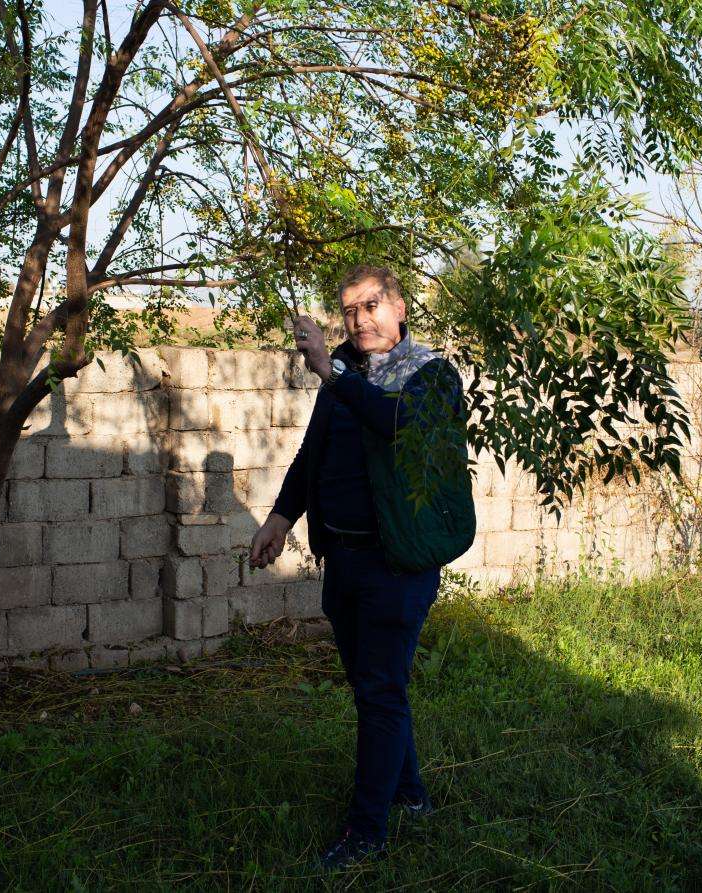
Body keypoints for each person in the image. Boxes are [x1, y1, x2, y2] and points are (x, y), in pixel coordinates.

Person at [248, 264, 474, 871]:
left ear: (399, 307)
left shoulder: (431, 375)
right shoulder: (345, 373)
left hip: (396, 564)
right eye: (349, 310)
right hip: (342, 558)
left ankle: (366, 833)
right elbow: (314, 452)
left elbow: (395, 424)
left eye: (371, 305)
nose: (359, 319)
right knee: (378, 689)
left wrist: (330, 370)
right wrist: (279, 517)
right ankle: (410, 795)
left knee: (379, 691)